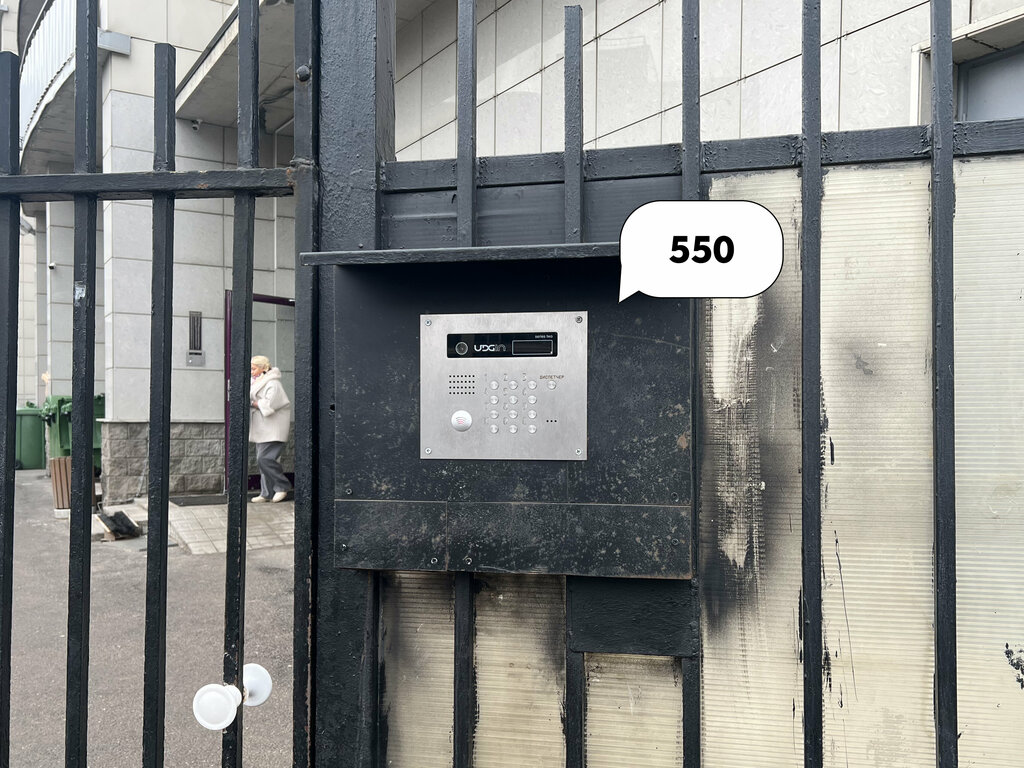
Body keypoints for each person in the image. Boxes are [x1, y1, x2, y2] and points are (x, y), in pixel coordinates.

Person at [249, 355, 292, 503]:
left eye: (254, 368)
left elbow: (269, 405)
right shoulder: (259, 382)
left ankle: (282, 486)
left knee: (264, 459)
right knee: (264, 461)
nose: (251, 372)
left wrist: (253, 403)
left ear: (263, 368)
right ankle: (266, 493)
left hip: (273, 429)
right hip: (264, 428)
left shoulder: (273, 383)